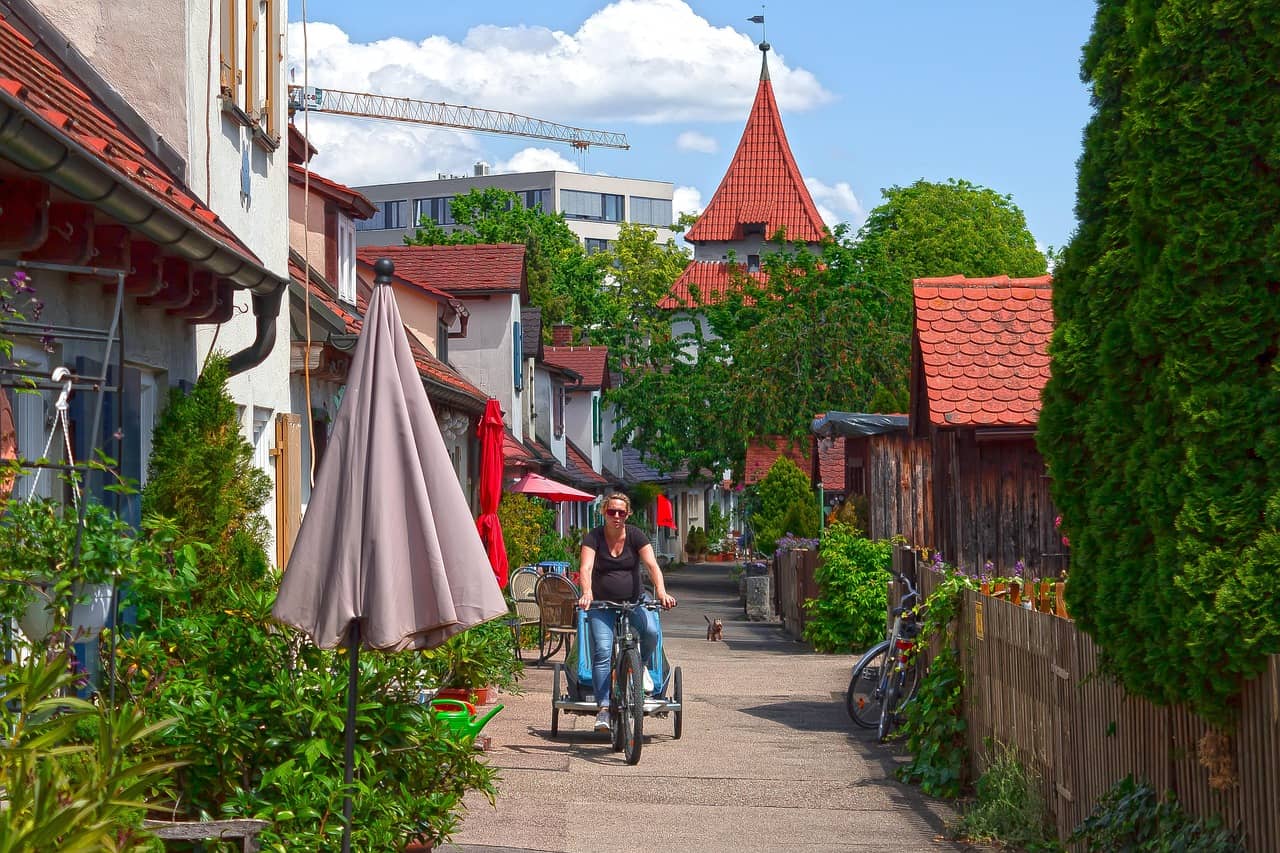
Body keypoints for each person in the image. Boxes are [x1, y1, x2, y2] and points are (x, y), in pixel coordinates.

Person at [577, 492, 676, 732]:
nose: (617, 516)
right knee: (602, 650)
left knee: (651, 631)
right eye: (612, 511)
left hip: (634, 600)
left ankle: (637, 666)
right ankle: (602, 709)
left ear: (628, 514)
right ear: (604, 513)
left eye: (622, 512)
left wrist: (661, 592)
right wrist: (587, 592)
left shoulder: (635, 536)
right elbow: (586, 567)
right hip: (602, 603)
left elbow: (652, 565)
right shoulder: (594, 537)